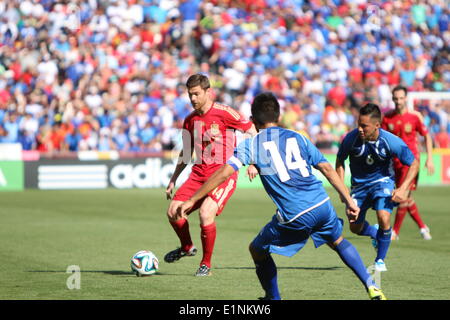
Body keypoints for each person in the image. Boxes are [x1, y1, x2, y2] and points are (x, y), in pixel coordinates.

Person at [178, 92, 387, 300]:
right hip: (322, 204)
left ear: (252, 120)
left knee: (256, 249)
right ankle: (371, 285)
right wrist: (349, 201)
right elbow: (327, 168)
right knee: (337, 240)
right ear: (278, 117)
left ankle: (273, 298)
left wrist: (193, 198)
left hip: (294, 214)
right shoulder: (299, 137)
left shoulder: (251, 144)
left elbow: (225, 172)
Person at [164, 73, 257, 276]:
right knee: (173, 212)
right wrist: (173, 179)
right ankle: (187, 247)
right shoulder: (189, 120)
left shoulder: (225, 113)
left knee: (206, 213)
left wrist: (254, 162)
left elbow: (253, 132)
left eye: (196, 94)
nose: (193, 99)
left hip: (223, 175)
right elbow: (186, 152)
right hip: (198, 174)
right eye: (190, 95)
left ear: (208, 92)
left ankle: (205, 264)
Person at [336, 103, 419, 272]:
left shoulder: (391, 141)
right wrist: (342, 188)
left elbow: (414, 163)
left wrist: (403, 188)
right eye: (358, 124)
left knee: (384, 217)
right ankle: (374, 233)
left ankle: (380, 259)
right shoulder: (350, 139)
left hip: (383, 183)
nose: (360, 129)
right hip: (359, 187)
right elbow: (339, 161)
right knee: (354, 227)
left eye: (364, 126)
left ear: (377, 125)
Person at [381, 85, 434, 240]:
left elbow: (427, 136)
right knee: (406, 197)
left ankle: (394, 232)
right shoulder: (388, 118)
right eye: (396, 98)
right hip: (394, 163)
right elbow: (382, 139)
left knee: (402, 195)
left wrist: (429, 158)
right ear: (392, 99)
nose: (398, 101)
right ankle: (423, 228)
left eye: (401, 98)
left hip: (411, 163)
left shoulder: (415, 116)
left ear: (406, 99)